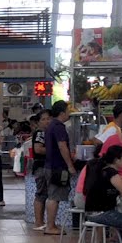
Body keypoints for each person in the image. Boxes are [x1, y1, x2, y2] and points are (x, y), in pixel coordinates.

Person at [40, 101, 74, 236]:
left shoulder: (51, 126)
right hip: (57, 167)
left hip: (50, 165)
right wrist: (70, 165)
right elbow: (62, 146)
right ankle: (50, 226)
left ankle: (51, 224)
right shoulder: (58, 126)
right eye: (67, 111)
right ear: (62, 113)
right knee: (54, 196)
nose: (69, 113)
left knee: (53, 196)